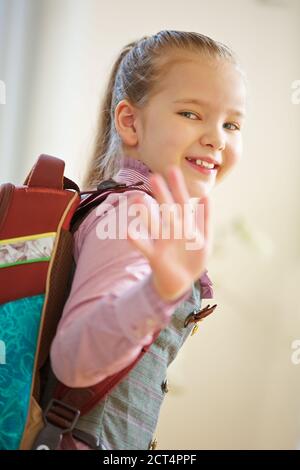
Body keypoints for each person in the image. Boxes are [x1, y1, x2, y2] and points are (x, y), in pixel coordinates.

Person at [50, 30, 247, 450]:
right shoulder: (130, 215)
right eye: (192, 114)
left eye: (231, 123)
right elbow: (74, 361)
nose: (217, 137)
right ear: (130, 122)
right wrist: (158, 292)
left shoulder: (141, 212)